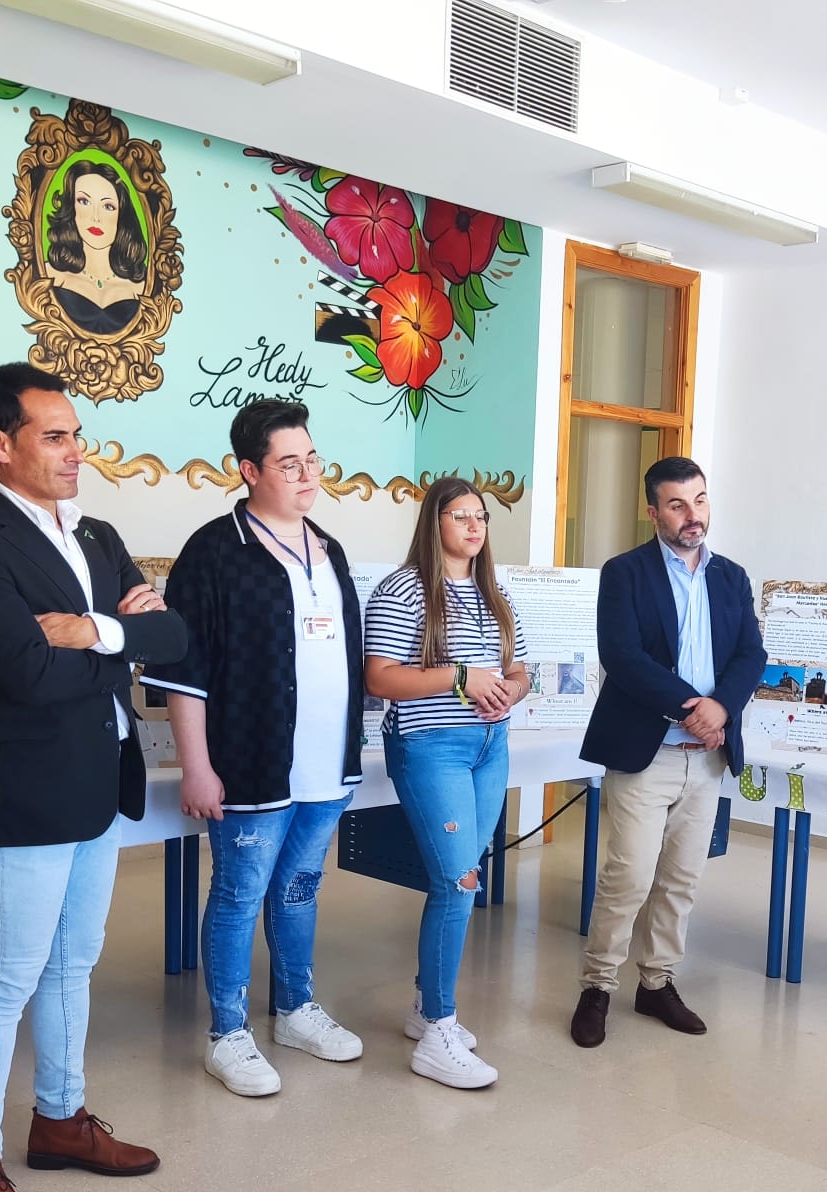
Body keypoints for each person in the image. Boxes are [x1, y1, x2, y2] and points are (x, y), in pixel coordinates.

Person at [0, 363, 187, 1192]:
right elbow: (27, 675)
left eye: (76, 432)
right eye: (54, 435)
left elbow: (176, 635)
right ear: (0, 444)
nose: (76, 449)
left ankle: (62, 1120)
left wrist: (95, 629)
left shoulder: (101, 533)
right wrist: (120, 642)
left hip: (98, 777)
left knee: (74, 964)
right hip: (28, 786)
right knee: (9, 974)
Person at [146, 398, 366, 1097]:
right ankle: (228, 1031)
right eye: (289, 464)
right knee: (240, 893)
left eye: (313, 460)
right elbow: (183, 672)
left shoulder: (328, 549)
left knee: (301, 889)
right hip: (250, 761)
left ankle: (296, 1007)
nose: (308, 475)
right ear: (248, 470)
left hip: (326, 761)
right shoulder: (215, 553)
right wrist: (198, 767)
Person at [570, 457, 765, 1048]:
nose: (693, 516)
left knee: (681, 879)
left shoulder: (730, 576)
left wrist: (722, 709)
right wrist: (692, 707)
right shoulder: (625, 573)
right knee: (628, 876)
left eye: (700, 501)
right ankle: (597, 986)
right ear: (652, 510)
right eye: (678, 505)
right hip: (646, 751)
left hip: (706, 756)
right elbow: (623, 656)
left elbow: (750, 656)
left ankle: (656, 984)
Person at [364, 476, 530, 1088]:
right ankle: (437, 1030)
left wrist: (512, 687)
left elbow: (517, 668)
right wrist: (459, 677)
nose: (473, 526)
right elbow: (380, 679)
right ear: (434, 522)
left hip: (491, 746)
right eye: (460, 515)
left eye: (481, 516)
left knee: (465, 877)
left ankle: (423, 1004)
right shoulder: (404, 590)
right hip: (431, 746)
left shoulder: (494, 589)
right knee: (457, 881)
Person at [44, 160, 147, 335]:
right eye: (84, 201)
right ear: (72, 207)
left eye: (108, 206)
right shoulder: (50, 274)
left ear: (121, 215)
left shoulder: (140, 286)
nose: (95, 217)